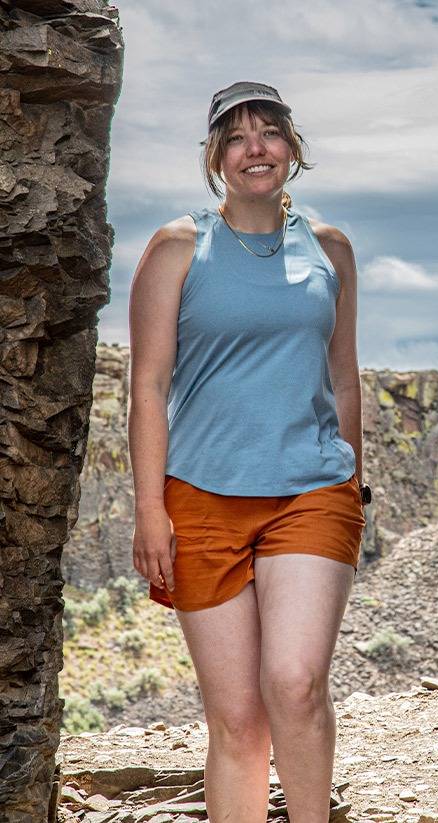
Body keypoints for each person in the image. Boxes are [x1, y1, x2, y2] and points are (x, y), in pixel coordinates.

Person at [128, 80, 371, 823]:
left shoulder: (330, 249)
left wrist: (353, 481)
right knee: (237, 718)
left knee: (294, 682)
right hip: (199, 495)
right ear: (216, 157)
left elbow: (343, 373)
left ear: (291, 149)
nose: (255, 148)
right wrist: (148, 509)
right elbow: (148, 384)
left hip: (311, 491)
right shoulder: (177, 247)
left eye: (269, 132)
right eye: (236, 136)